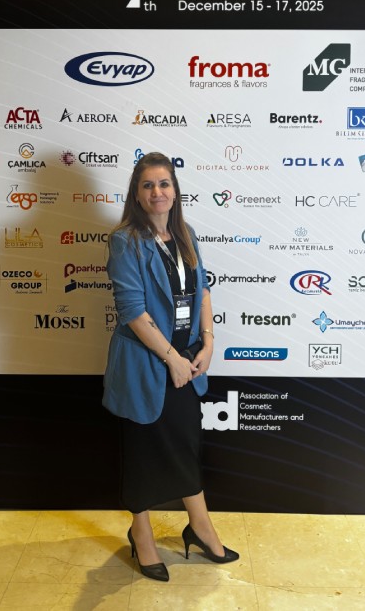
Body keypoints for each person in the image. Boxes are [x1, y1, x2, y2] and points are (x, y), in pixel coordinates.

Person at [103, 152, 239, 582]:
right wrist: (171, 359)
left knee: (185, 444)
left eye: (164, 184)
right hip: (146, 364)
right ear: (137, 194)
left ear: (175, 191)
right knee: (142, 450)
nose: (157, 192)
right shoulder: (125, 241)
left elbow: (204, 291)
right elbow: (132, 311)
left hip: (187, 361)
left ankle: (200, 526)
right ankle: (140, 534)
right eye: (148, 185)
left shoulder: (186, 234)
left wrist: (209, 342)